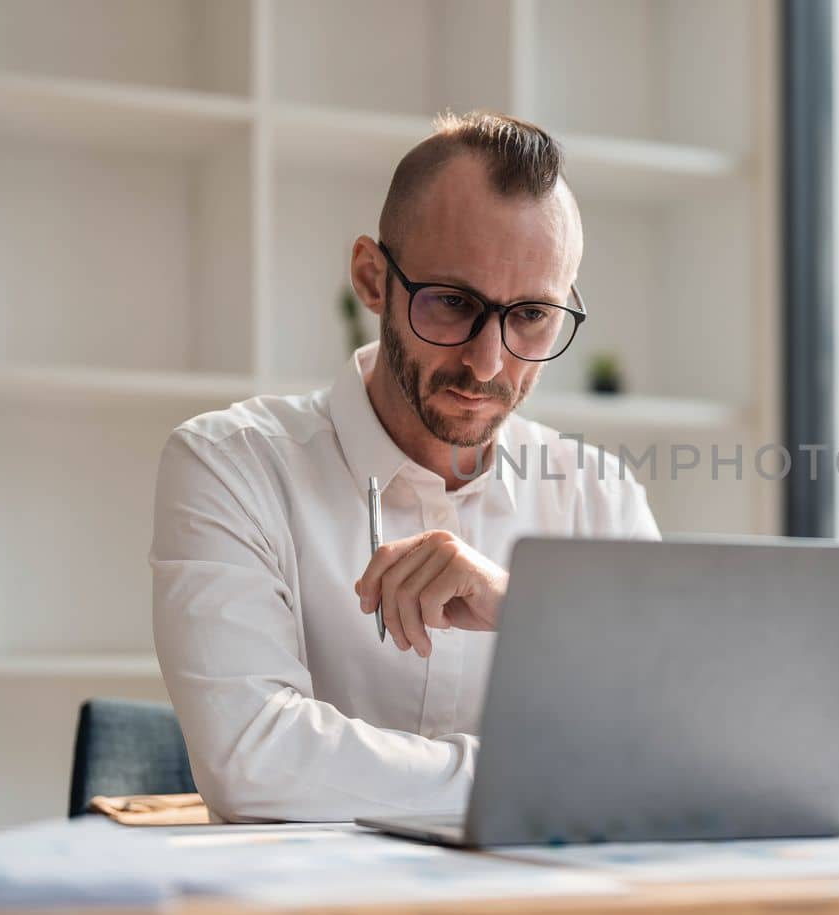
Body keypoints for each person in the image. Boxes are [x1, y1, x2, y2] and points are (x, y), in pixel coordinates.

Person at [150, 111, 659, 823]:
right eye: (453, 303)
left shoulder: (600, 495)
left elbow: (671, 745)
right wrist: (533, 776)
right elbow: (255, 763)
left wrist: (526, 610)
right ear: (371, 279)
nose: (489, 362)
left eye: (533, 316)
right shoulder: (229, 467)